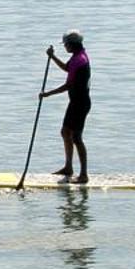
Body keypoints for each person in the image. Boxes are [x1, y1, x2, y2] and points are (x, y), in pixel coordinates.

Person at [40, 30, 90, 184]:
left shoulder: (79, 60)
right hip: (75, 102)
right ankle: (68, 167)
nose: (65, 47)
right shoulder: (77, 57)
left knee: (76, 137)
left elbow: (68, 85)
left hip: (80, 104)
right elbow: (67, 69)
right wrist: (52, 57)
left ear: (72, 44)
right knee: (65, 132)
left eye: (66, 44)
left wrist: (48, 94)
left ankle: (83, 175)